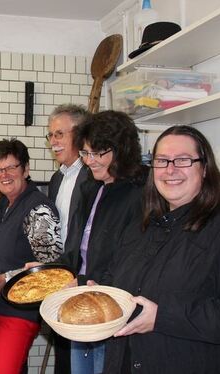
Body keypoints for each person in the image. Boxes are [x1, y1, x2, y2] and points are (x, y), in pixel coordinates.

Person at [101, 125, 220, 374]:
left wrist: (162, 317)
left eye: (183, 160)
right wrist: (99, 293)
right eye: (162, 161)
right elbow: (115, 278)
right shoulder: (139, 228)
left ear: (205, 169)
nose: (170, 169)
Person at [69, 110, 147, 374]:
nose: (89, 161)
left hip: (112, 306)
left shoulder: (141, 192)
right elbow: (80, 245)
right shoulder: (91, 187)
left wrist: (87, 282)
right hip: (82, 300)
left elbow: (131, 256)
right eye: (85, 153)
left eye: (97, 153)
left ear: (121, 150)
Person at [0, 138, 62, 374]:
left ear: (25, 169)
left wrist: (8, 276)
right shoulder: (0, 205)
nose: (4, 175)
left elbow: (51, 268)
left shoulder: (39, 209)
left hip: (18, 309)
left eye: (11, 167)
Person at [45, 104, 90, 374]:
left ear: (80, 134)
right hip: (60, 277)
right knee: (64, 354)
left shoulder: (93, 177)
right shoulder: (57, 179)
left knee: (81, 359)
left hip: (83, 279)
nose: (53, 142)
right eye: (50, 135)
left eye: (59, 134)